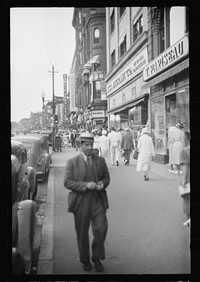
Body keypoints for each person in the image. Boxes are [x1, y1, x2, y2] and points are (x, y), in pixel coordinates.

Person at [63, 132, 110, 272]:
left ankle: (97, 257)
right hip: (80, 202)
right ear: (80, 145)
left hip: (97, 200)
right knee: (82, 233)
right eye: (87, 145)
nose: (90, 148)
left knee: (101, 229)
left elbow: (106, 177)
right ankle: (85, 260)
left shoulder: (100, 160)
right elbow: (67, 182)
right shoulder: (72, 162)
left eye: (91, 144)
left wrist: (102, 184)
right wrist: (85, 186)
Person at [179, 130, 190, 226]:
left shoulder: (185, 151)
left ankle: (188, 218)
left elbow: (185, 167)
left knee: (187, 197)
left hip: (188, 178)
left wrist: (183, 181)